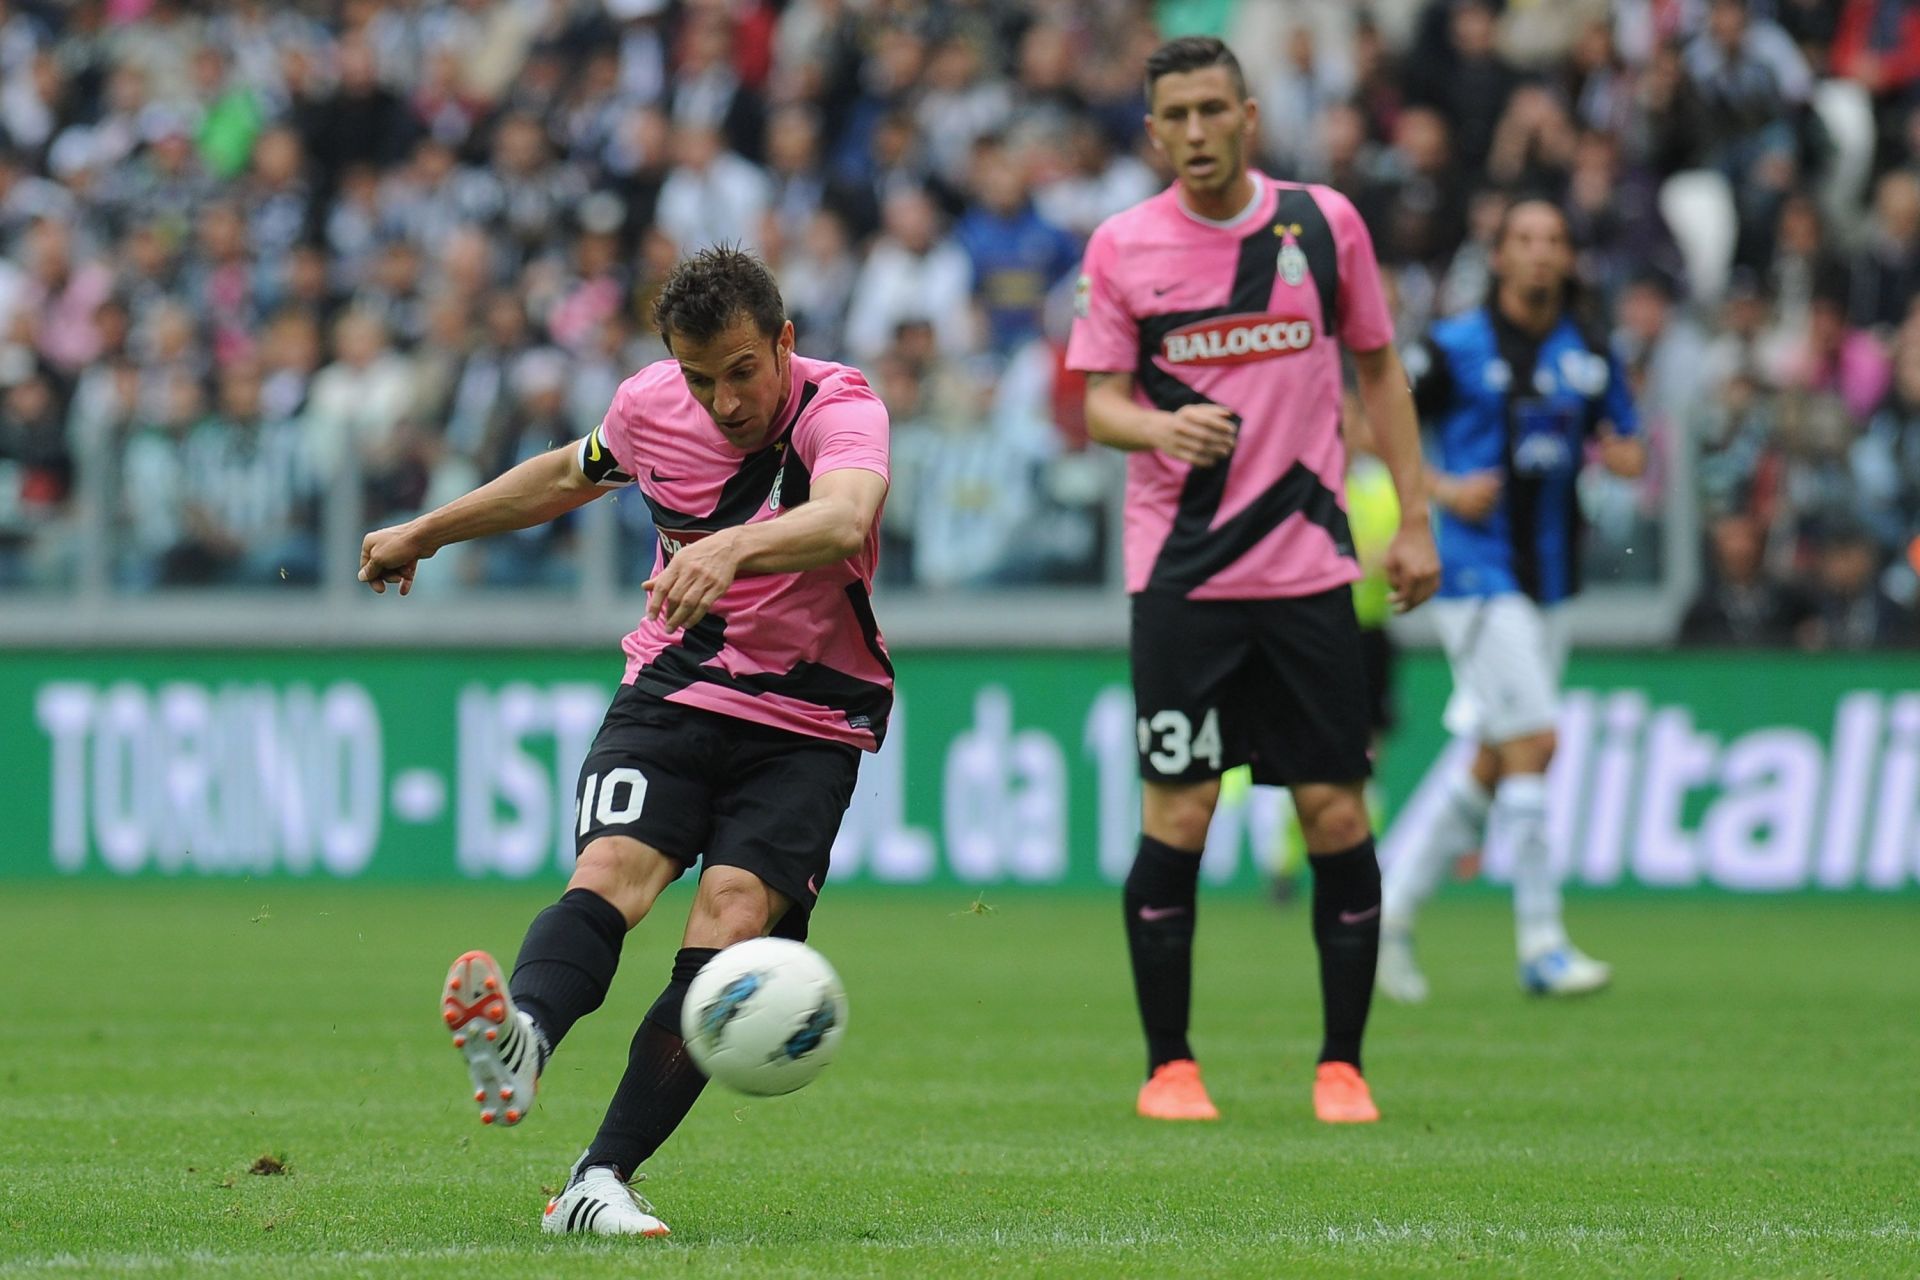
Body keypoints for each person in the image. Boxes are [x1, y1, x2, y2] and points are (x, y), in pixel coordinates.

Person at [357, 246, 892, 1237]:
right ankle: (523, 1038)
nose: (724, 400)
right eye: (701, 377)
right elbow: (568, 473)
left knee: (728, 923)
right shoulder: (651, 407)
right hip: (674, 689)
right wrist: (428, 529)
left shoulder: (843, 408)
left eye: (741, 370)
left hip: (808, 719)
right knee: (612, 871)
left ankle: (598, 1176)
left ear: (782, 341)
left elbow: (843, 516)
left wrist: (730, 544)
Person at [1068, 36, 1440, 1127]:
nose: (1192, 132)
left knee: (1333, 807)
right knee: (1179, 811)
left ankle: (1342, 1064)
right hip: (1183, 575)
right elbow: (1096, 404)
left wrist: (1413, 516)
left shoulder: (1324, 225)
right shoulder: (1124, 245)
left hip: (1311, 570)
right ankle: (1170, 1065)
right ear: (1152, 131)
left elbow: (1378, 367)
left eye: (1210, 111)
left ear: (1248, 114)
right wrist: (1159, 421)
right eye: (1172, 115)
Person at [1379, 198, 1646, 1004]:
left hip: (1550, 578)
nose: (1538, 254)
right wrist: (1443, 489)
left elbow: (1625, 442)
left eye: (1553, 240)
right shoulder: (1454, 345)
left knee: (1497, 760)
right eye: (1523, 240)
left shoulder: (1593, 348)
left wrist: (1627, 455)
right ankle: (1541, 942)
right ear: (1498, 257)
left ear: (1567, 258)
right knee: (1536, 739)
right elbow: (1371, 429)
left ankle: (1385, 911)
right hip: (1470, 570)